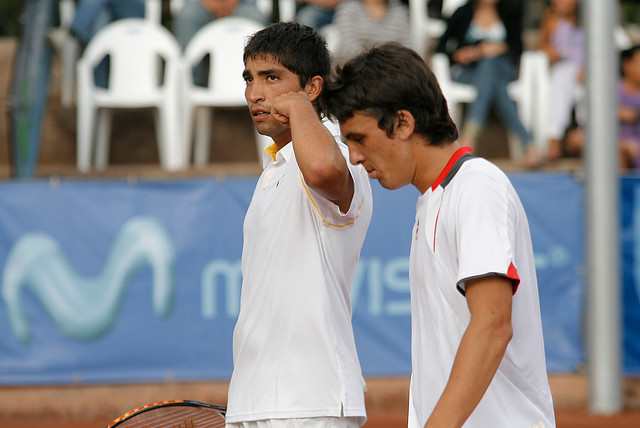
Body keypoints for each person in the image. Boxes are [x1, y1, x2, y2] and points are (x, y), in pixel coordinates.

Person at [322, 42, 555, 428]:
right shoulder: (433, 201)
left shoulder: (476, 187)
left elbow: (493, 325)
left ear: (403, 123)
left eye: (358, 138)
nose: (354, 157)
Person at [225, 22, 373, 428]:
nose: (254, 93)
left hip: (311, 401)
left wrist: (298, 110)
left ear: (312, 88)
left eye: (272, 78)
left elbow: (324, 168)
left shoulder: (340, 156)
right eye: (249, 79)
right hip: (256, 399)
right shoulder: (275, 169)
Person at [435, 0, 539, 168]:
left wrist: (499, 48)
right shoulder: (462, 13)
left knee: (489, 64)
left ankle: (469, 136)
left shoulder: (509, 12)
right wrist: (460, 55)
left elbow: (518, 48)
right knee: (494, 81)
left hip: (502, 69)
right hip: (470, 72)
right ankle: (528, 144)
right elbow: (441, 47)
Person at [174, 0, 269, 85]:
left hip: (242, 4)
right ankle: (193, 86)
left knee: (255, 19)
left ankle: (253, 82)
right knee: (188, 16)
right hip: (199, 4)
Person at [537, 0, 584, 161]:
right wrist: (550, 52)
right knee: (562, 80)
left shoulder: (587, 21)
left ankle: (583, 136)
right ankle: (554, 139)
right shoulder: (551, 22)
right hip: (563, 69)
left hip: (586, 71)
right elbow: (541, 46)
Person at [332, 0, 411, 66]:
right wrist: (375, 64)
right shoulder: (348, 9)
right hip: (356, 69)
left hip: (390, 71)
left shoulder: (400, 11)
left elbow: (407, 47)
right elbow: (349, 47)